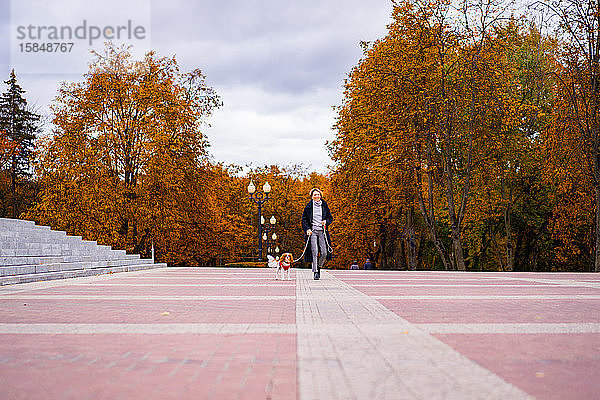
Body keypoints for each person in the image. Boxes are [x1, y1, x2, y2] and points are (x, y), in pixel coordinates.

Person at [301, 188, 334, 280]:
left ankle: (319, 266)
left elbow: (330, 218)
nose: (317, 196)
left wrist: (326, 221)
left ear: (321, 195)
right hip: (313, 232)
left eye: (318, 194)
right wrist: (307, 229)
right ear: (312, 196)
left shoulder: (324, 205)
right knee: (314, 252)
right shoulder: (308, 207)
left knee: (324, 252)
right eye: (315, 195)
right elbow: (304, 220)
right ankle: (315, 272)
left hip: (322, 231)